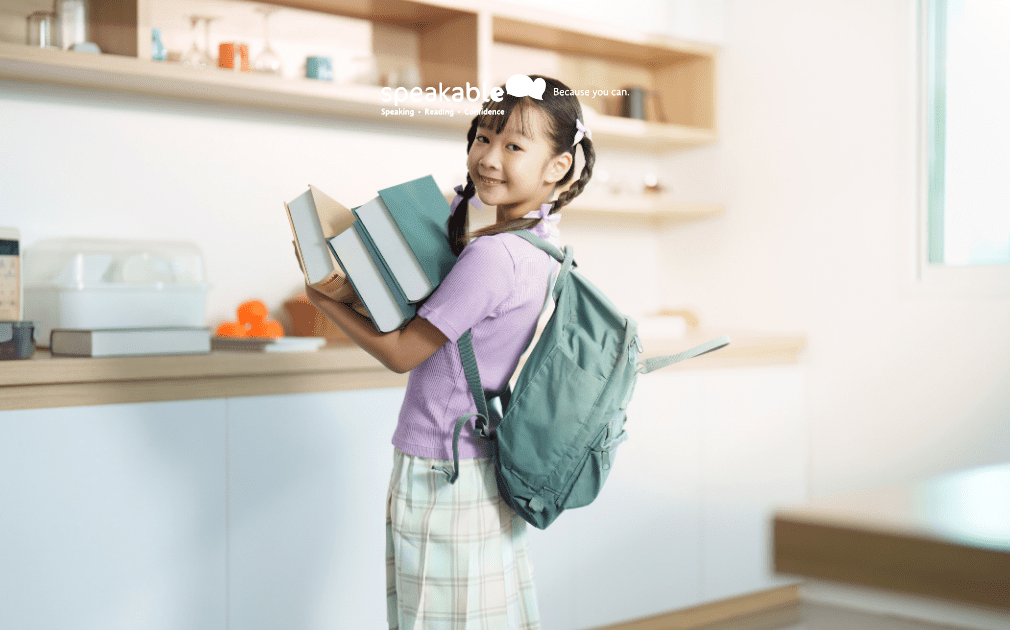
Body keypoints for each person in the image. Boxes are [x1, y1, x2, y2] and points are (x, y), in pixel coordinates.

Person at [306, 75, 595, 630]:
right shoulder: (543, 249)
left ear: (557, 167)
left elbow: (402, 355)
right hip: (485, 465)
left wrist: (324, 296)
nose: (487, 157)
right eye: (483, 137)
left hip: (442, 466)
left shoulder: (494, 257)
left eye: (513, 145)